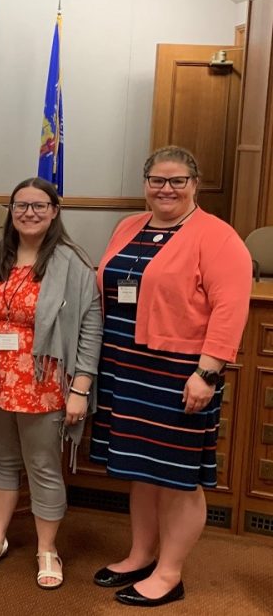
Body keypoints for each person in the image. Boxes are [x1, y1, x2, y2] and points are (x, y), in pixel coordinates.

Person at [89, 146, 251, 607]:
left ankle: (170, 572)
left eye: (177, 181)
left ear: (194, 185)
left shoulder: (218, 238)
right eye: (157, 180)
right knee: (141, 470)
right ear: (145, 184)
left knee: (178, 477)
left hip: (180, 373)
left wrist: (207, 372)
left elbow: (230, 310)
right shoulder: (129, 227)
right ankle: (141, 554)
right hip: (126, 367)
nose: (166, 189)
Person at [0, 177, 102, 588]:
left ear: (54, 211)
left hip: (43, 381)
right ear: (10, 211)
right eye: (21, 205)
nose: (29, 213)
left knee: (43, 465)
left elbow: (90, 326)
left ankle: (48, 549)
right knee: (4, 459)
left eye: (39, 206)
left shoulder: (72, 262)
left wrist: (80, 387)